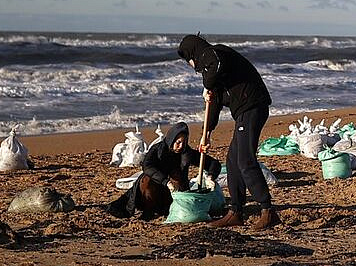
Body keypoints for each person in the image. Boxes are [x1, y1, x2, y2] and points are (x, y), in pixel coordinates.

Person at [177, 34, 278, 231]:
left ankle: (268, 210)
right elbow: (214, 103)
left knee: (245, 161)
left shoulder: (214, 54)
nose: (190, 65)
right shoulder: (211, 68)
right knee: (232, 162)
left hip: (252, 106)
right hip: (244, 111)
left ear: (192, 53)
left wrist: (207, 86)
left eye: (187, 59)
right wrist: (207, 133)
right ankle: (236, 212)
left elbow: (216, 66)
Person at [105, 122, 222, 219]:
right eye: (178, 142)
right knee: (146, 179)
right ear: (172, 140)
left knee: (176, 175)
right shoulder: (158, 150)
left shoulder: (186, 153)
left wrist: (211, 176)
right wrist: (166, 182)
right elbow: (147, 167)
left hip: (173, 195)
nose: (181, 146)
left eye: (183, 142)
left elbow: (213, 163)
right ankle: (149, 210)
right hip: (152, 192)